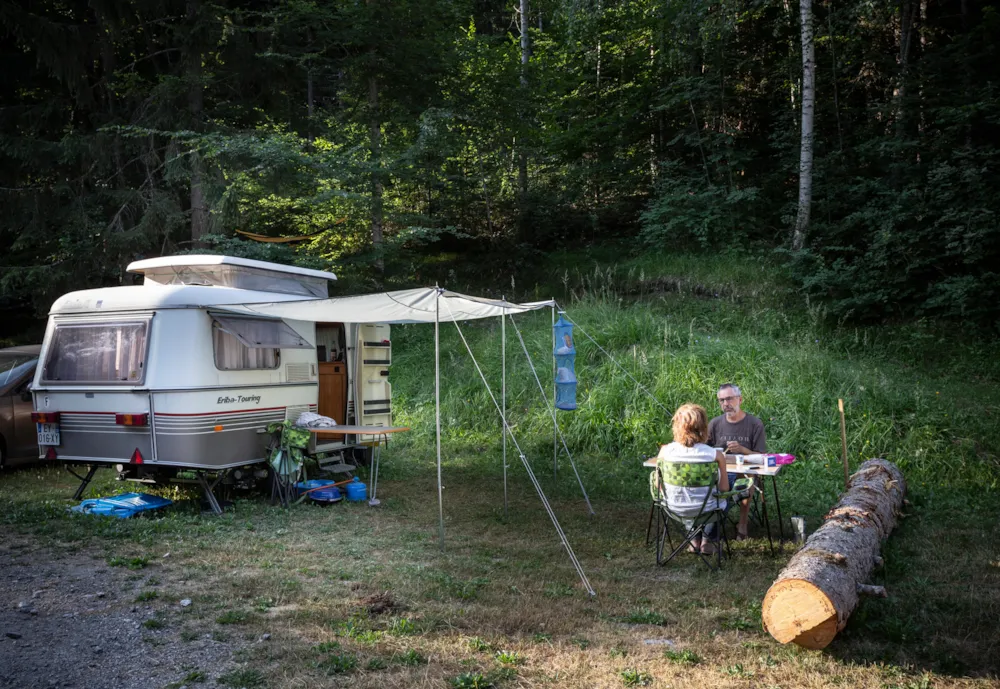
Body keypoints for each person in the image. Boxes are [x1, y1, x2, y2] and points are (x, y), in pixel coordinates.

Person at [655, 403, 729, 555]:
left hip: (673, 508)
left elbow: (658, 486)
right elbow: (724, 489)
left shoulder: (665, 451)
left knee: (691, 499)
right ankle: (707, 541)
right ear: (704, 427)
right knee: (721, 498)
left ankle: (693, 540)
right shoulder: (714, 455)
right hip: (706, 510)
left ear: (676, 426)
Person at [707, 383, 766, 540]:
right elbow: (704, 450)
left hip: (745, 472)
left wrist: (742, 449)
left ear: (740, 399)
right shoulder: (715, 424)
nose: (726, 404)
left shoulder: (755, 424)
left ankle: (742, 523)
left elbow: (761, 457)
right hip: (719, 472)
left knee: (746, 477)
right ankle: (708, 525)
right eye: (721, 400)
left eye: (729, 399)